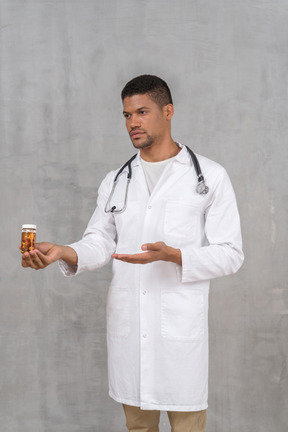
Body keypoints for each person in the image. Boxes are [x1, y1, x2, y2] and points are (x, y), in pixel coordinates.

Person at [21, 75, 244, 432]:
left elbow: (231, 254)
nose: (133, 123)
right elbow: (100, 241)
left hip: (178, 333)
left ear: (167, 112)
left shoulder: (210, 177)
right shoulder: (116, 180)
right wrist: (65, 252)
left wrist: (176, 256)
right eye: (127, 115)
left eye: (142, 112)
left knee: (187, 427)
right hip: (131, 331)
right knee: (138, 427)